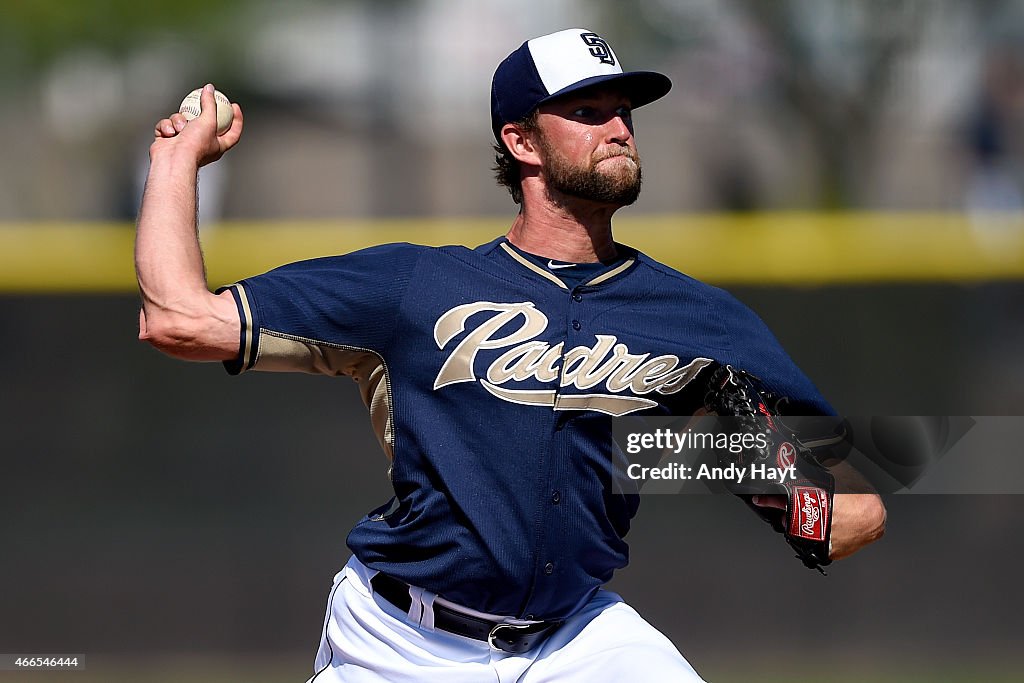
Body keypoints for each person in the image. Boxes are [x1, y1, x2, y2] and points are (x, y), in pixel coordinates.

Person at [136, 28, 886, 682]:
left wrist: (740, 467)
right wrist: (177, 158)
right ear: (520, 141)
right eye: (587, 112)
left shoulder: (699, 319)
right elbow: (179, 319)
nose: (618, 128)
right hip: (400, 643)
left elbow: (856, 506)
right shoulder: (418, 286)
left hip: (578, 639)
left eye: (623, 110)